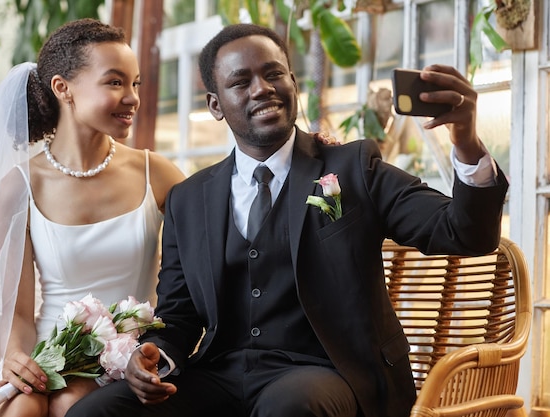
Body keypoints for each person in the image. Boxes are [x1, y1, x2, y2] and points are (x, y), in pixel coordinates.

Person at [65, 23, 509, 417]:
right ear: (216, 105)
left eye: (273, 73)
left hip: (329, 371)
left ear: (293, 82)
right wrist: (153, 358)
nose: (261, 88)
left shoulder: (354, 167)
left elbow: (464, 233)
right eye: (241, 81)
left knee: (290, 406)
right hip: (221, 373)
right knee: (98, 411)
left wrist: (466, 140)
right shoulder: (189, 198)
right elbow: (179, 316)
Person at [0, 18, 184, 417]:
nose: (132, 97)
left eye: (136, 84)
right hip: (50, 350)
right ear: (63, 88)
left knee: (70, 406)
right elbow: (20, 311)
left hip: (130, 355)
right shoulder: (18, 186)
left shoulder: (156, 174)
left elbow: (221, 218)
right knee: (23, 408)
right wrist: (14, 356)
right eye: (115, 82)